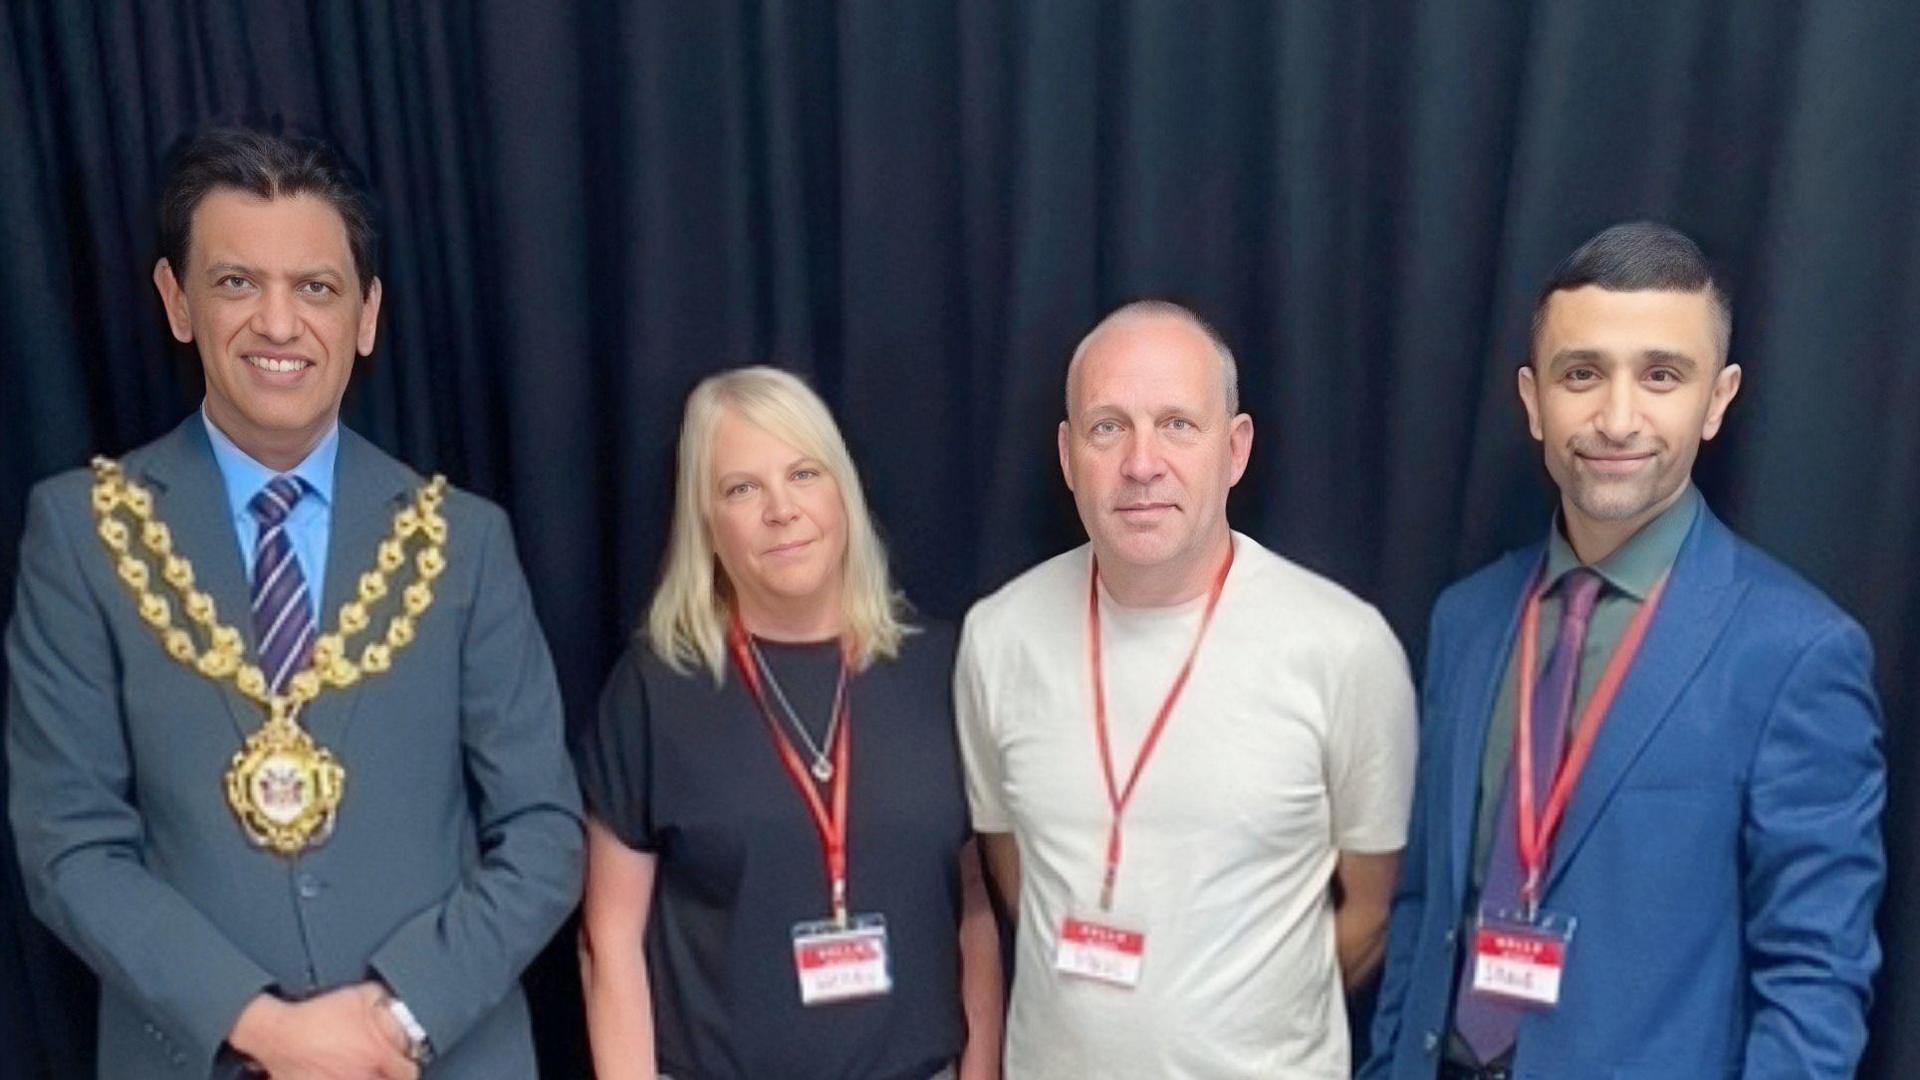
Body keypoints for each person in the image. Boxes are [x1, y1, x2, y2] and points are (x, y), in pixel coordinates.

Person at [5, 127, 583, 1078]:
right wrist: (267, 1030)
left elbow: (544, 832)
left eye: (315, 288)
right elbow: (67, 843)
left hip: (433, 1058)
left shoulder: (465, 540)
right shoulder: (80, 533)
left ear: (365, 316)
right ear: (176, 301)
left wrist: (396, 1018)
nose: (278, 324)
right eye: (238, 282)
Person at [1363, 222, 1885, 1080]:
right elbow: (1423, 905)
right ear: (1533, 400)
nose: (1615, 417)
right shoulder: (1467, 620)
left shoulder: (1797, 654)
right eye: (1582, 374)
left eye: (1661, 376)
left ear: (1717, 400)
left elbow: (1815, 977)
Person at [955, 300, 1417, 1078]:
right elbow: (1016, 875)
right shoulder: (999, 636)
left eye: (1177, 424)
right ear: (1068, 456)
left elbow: (1372, 910)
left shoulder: (1344, 646)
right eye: (1109, 428)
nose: (1141, 463)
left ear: (1234, 450)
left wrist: (1250, 1019)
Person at [574, 366, 1002, 1080]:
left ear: (844, 491)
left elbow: (976, 906)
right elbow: (607, 941)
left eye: (804, 474)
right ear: (705, 522)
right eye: (742, 488)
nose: (781, 509)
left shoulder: (945, 669)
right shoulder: (655, 689)